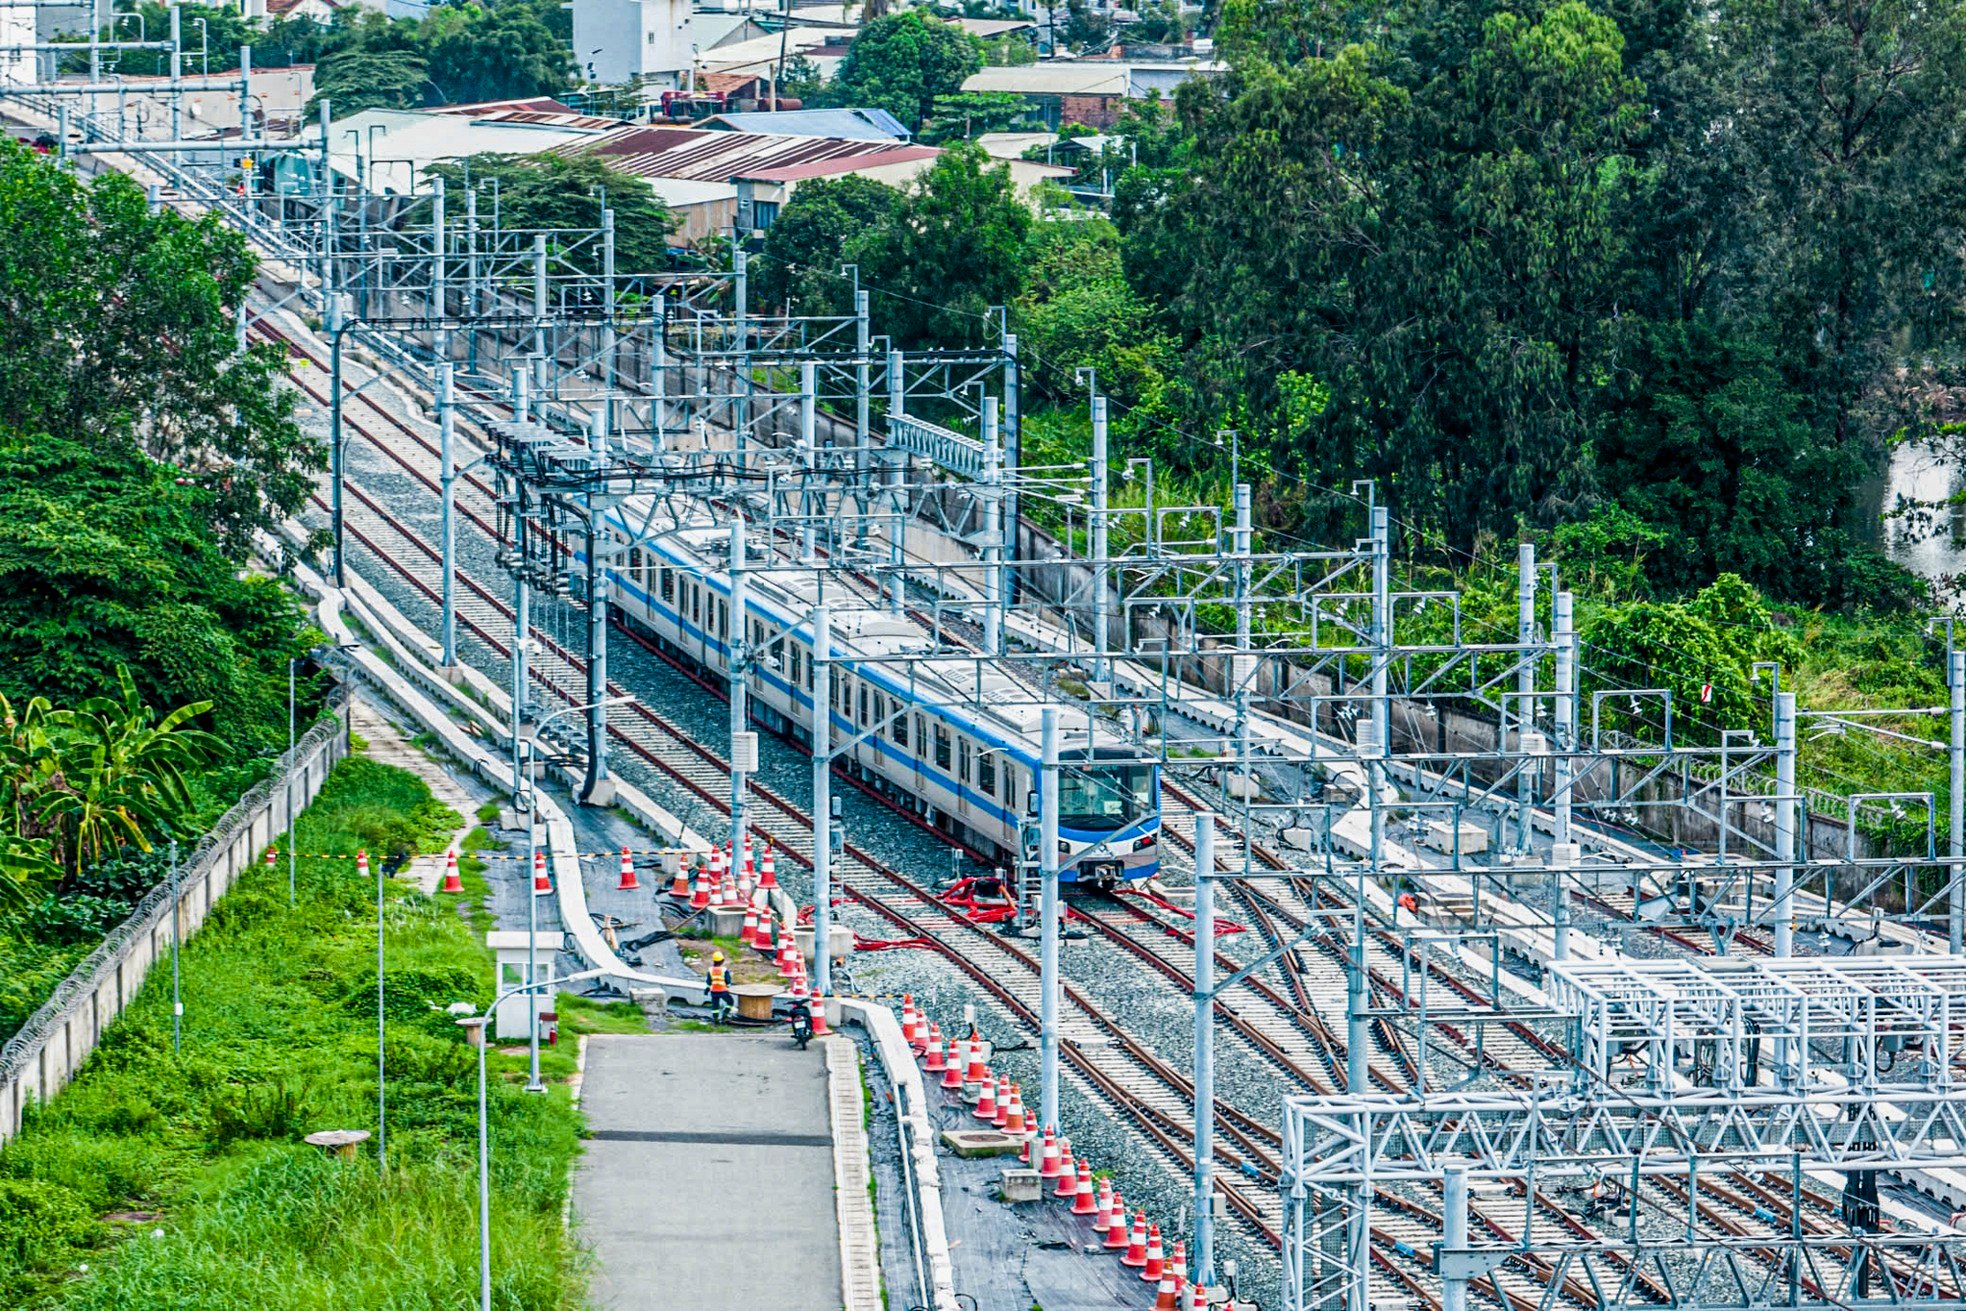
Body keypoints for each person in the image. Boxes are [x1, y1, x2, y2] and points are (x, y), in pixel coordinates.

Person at [705, 950, 733, 1023]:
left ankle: (715, 1019)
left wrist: (707, 988)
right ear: (722, 961)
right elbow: (728, 980)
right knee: (730, 1002)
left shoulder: (710, 970)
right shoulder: (724, 970)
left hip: (714, 991)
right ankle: (725, 1014)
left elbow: (709, 981)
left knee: (715, 1006)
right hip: (723, 991)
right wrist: (729, 986)